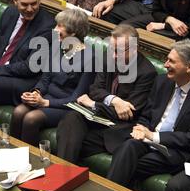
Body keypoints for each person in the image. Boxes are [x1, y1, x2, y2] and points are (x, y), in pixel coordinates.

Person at [106, 39, 190, 187]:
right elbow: (146, 115)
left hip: (174, 151)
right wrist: (140, 129)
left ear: (189, 67)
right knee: (128, 146)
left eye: (171, 61)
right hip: (147, 140)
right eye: (166, 60)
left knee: (127, 161)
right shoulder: (162, 81)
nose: (165, 65)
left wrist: (153, 136)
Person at [56, 24, 157, 164]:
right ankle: (62, 174)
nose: (114, 55)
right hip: (98, 118)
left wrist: (93, 104)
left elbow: (128, 112)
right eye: (112, 49)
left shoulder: (147, 72)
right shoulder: (109, 56)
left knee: (70, 142)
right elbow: (95, 89)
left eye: (119, 51)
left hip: (118, 127)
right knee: (72, 118)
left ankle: (62, 174)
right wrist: (114, 100)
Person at [10, 9, 96, 146]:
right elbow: (45, 79)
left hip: (66, 107)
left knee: (31, 118)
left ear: (73, 32)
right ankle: (11, 154)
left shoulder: (90, 58)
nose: (55, 29)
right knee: (18, 112)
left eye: (60, 26)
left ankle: (31, 161)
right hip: (47, 97)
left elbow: (77, 98)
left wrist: (44, 103)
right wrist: (36, 92)